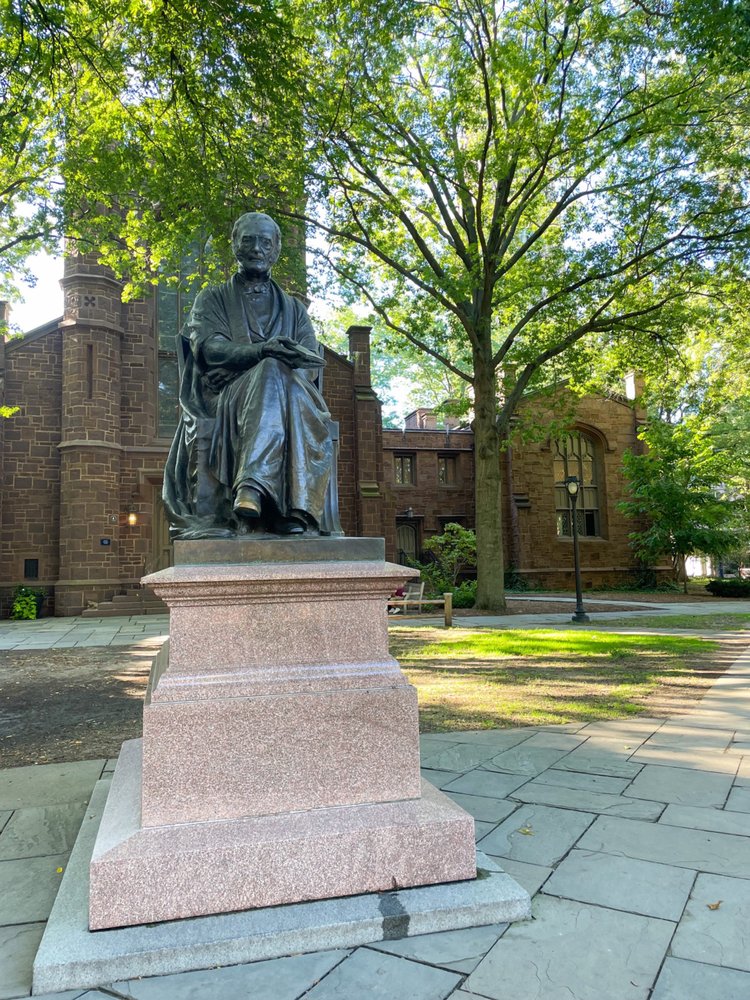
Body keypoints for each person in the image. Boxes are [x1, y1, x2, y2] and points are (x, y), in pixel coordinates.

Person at [163, 212, 333, 538]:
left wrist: (284, 361)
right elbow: (210, 350)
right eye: (249, 240)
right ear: (235, 246)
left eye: (265, 242)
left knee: (280, 376)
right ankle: (285, 507)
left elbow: (311, 365)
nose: (257, 248)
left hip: (292, 397)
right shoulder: (211, 299)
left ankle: (254, 489)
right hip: (230, 396)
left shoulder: (295, 310)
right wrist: (263, 351)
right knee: (269, 367)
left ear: (276, 250)